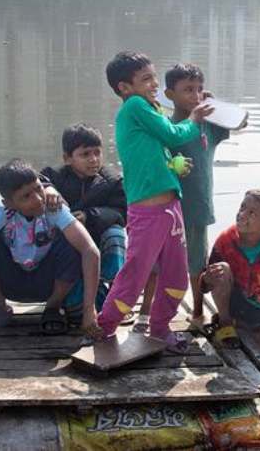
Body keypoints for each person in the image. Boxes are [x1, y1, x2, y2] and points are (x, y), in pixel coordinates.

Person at [94, 51, 212, 352]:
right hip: (148, 212)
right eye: (146, 79)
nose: (153, 84)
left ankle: (160, 329)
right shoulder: (134, 106)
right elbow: (172, 134)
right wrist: (195, 118)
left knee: (176, 276)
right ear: (124, 87)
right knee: (135, 274)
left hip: (171, 208)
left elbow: (156, 150)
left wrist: (174, 166)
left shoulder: (149, 110)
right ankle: (104, 328)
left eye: (154, 78)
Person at [0, 159, 101, 339]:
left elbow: (90, 250)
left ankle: (53, 308)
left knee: (73, 243)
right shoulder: (2, 213)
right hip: (12, 282)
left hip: (48, 285)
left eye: (38, 189)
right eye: (26, 196)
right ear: (9, 203)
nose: (38, 199)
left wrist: (90, 310)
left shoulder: (53, 209)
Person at [164, 63, 243, 327]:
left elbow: (241, 121)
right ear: (169, 94)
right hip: (169, 206)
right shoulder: (166, 127)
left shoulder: (207, 125)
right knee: (162, 260)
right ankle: (154, 313)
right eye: (187, 90)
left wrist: (216, 105)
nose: (195, 96)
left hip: (198, 205)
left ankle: (197, 311)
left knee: (197, 262)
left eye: (198, 89)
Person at [41, 124, 127, 314]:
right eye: (85, 154)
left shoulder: (112, 180)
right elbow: (36, 180)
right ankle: (87, 296)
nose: (93, 159)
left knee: (116, 235)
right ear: (68, 159)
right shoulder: (56, 176)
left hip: (99, 238)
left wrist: (90, 216)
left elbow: (122, 212)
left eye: (97, 153)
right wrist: (48, 188)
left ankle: (116, 290)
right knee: (75, 307)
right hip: (70, 245)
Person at [201, 190, 260, 351]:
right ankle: (225, 322)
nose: (242, 214)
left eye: (252, 213)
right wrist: (207, 279)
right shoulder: (226, 239)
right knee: (222, 269)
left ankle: (242, 324)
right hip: (232, 299)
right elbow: (205, 284)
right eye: (242, 207)